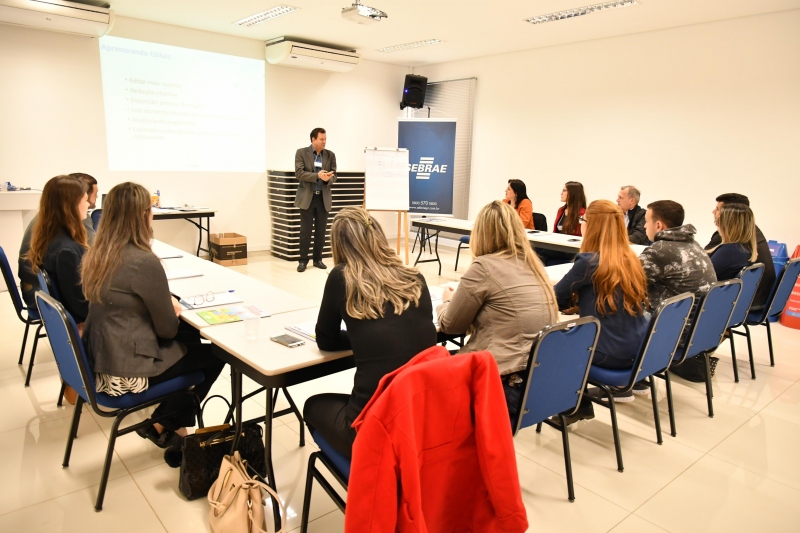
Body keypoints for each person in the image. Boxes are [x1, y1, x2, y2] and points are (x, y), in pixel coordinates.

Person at [81, 182, 225, 465]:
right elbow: (166, 330)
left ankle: (165, 424)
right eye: (150, 211)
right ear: (142, 216)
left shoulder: (97, 252)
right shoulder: (143, 261)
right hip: (124, 374)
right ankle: (162, 422)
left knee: (189, 337)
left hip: (101, 357)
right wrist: (169, 306)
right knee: (216, 354)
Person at [303, 207, 436, 458]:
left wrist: (362, 340)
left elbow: (326, 339)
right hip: (418, 423)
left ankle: (363, 476)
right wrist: (370, 341)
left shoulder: (341, 277)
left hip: (372, 431)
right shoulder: (415, 277)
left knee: (313, 405)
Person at [437, 201, 558, 425]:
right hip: (540, 384)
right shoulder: (535, 265)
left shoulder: (484, 266)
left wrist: (445, 302)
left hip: (503, 384)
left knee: (422, 378)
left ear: (480, 234)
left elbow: (450, 325)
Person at [553, 200, 649, 419]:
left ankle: (574, 406)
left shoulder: (589, 262)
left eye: (583, 220)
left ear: (593, 226)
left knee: (555, 342)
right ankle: (583, 401)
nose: (581, 223)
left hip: (609, 353)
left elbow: (557, 296)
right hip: (638, 349)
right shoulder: (631, 260)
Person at [638, 200, 717, 388]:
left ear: (658, 225)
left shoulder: (659, 250)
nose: (643, 226)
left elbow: (627, 284)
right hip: (702, 330)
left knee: (614, 314)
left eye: (646, 221)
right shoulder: (693, 244)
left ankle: (626, 381)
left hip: (676, 332)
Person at [18, 173, 98, 308]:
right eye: (85, 200)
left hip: (47, 296)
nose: (88, 204)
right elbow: (80, 305)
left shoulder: (49, 230)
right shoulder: (66, 250)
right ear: (71, 205)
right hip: (65, 306)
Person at [705, 194, 774, 304]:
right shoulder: (745, 245)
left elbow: (703, 276)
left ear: (729, 222)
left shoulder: (730, 250)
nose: (714, 213)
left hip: (723, 305)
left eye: (718, 210)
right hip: (748, 299)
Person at [295, 127, 337, 272]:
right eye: (321, 139)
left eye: (325, 139)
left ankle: (317, 259)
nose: (324, 142)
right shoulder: (301, 153)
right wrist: (317, 176)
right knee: (305, 232)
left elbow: (334, 176)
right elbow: (299, 173)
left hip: (323, 198)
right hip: (307, 198)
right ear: (313, 140)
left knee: (321, 231)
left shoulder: (330, 155)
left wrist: (327, 179)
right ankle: (302, 261)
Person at [537, 181, 587, 265]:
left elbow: (579, 234)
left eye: (564, 190)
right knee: (535, 249)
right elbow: (555, 231)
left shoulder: (582, 213)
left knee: (539, 252)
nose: (561, 193)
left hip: (570, 248)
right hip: (558, 246)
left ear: (572, 194)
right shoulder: (561, 210)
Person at [707, 203, 757, 281]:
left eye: (718, 222)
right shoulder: (744, 249)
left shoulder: (729, 251)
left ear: (727, 225)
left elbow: (702, 278)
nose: (717, 225)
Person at [70, 172, 99, 243]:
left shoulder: (46, 213)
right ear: (85, 195)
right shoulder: (81, 216)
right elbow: (93, 246)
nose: (97, 197)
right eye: (95, 193)